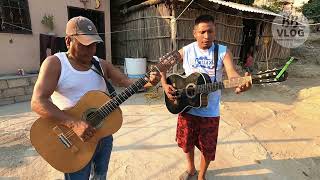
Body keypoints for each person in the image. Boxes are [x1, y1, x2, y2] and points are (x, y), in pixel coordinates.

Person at [31, 16, 160, 180]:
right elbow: (37, 102)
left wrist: (147, 81)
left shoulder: (101, 64)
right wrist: (74, 123)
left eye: (94, 44)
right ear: (68, 41)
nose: (91, 50)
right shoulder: (55, 63)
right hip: (72, 140)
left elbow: (125, 81)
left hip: (103, 135)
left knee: (100, 177)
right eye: (84, 45)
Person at [160, 15, 251, 180]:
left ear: (215, 32)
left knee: (207, 149)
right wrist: (165, 85)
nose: (207, 36)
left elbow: (231, 74)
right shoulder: (186, 50)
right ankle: (191, 169)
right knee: (186, 144)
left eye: (210, 31)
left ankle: (201, 176)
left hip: (210, 111)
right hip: (186, 106)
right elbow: (162, 65)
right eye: (202, 32)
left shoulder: (222, 52)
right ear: (194, 33)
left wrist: (240, 83)